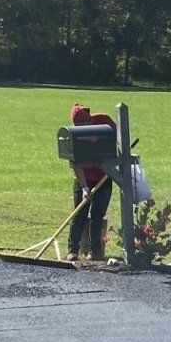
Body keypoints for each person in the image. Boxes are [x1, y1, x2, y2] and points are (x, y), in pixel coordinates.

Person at [67, 103, 117, 262]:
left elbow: (116, 143)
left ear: (89, 120)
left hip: (104, 176)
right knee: (79, 214)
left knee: (98, 215)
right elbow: (75, 164)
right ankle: (72, 250)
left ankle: (94, 252)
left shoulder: (105, 122)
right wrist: (84, 187)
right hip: (84, 178)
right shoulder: (73, 135)